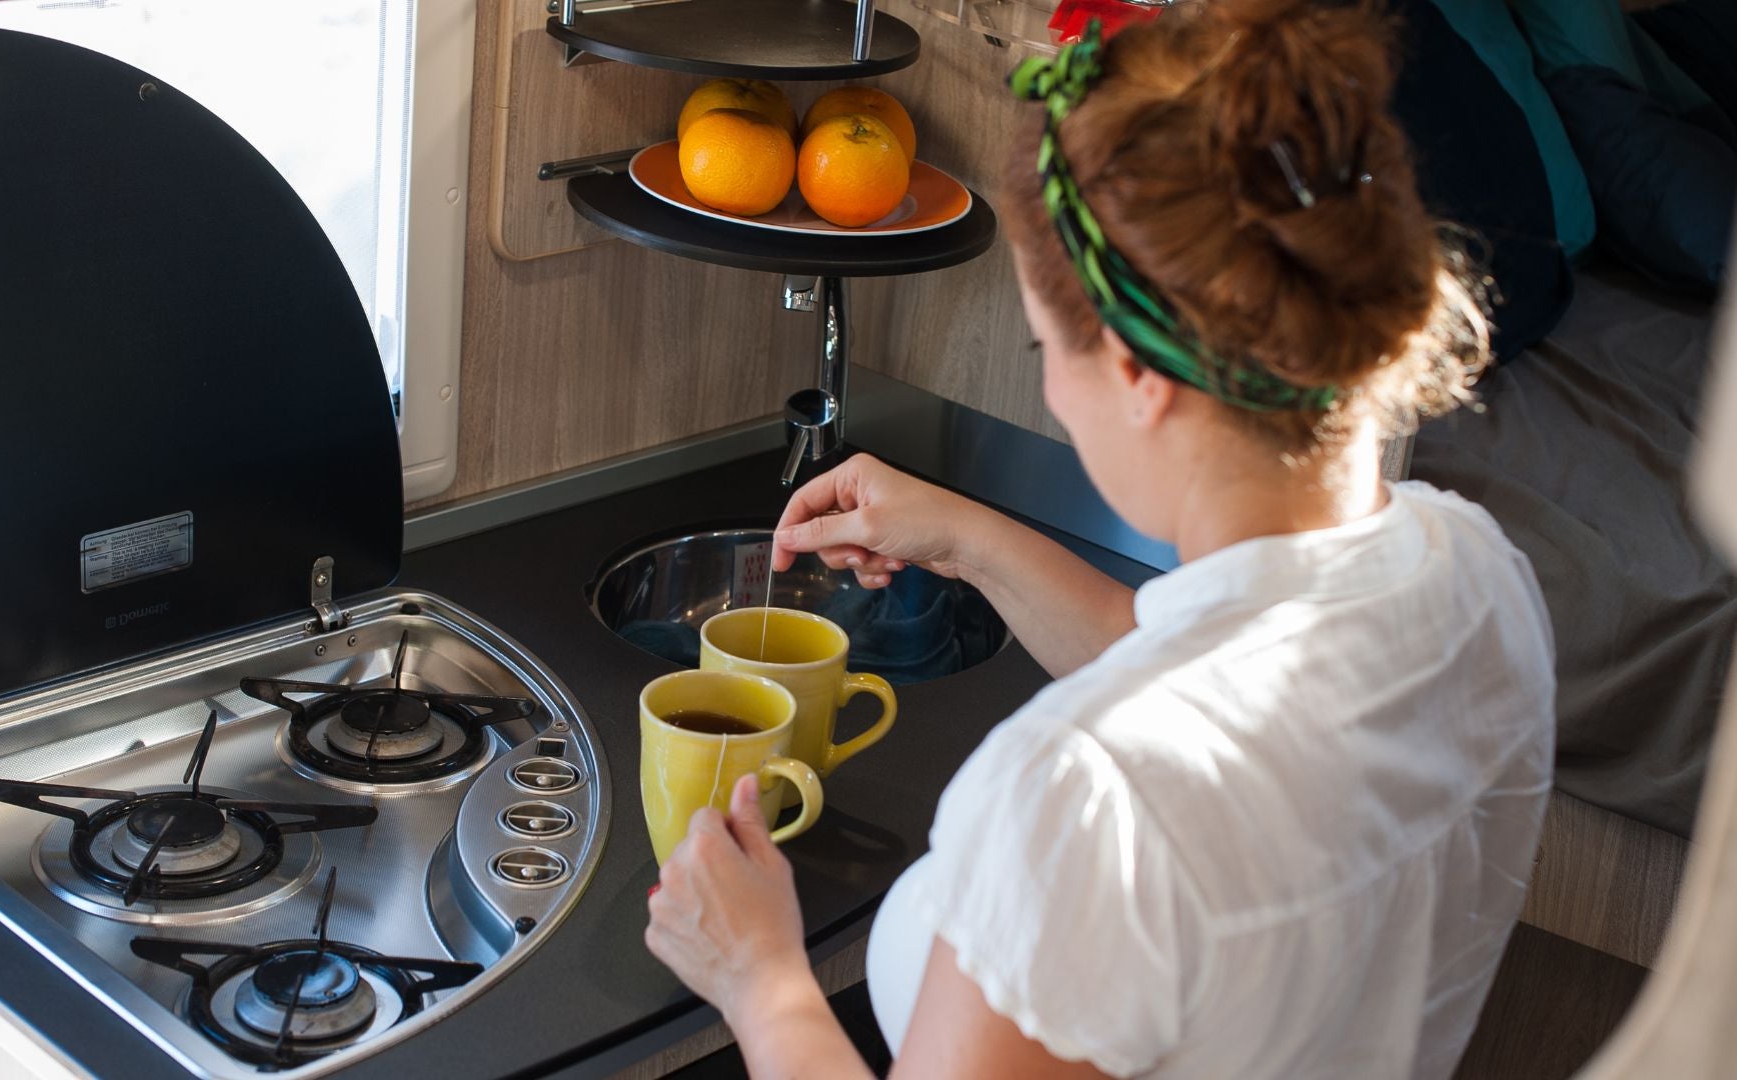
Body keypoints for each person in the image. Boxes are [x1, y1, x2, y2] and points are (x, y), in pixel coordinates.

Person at [643, 1, 1557, 1076]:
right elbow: (1196, 676)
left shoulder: (1086, 798)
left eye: (1044, 345)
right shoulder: (1481, 580)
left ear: (1133, 373)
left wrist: (764, 981)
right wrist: (965, 538)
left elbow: (1161, 753)